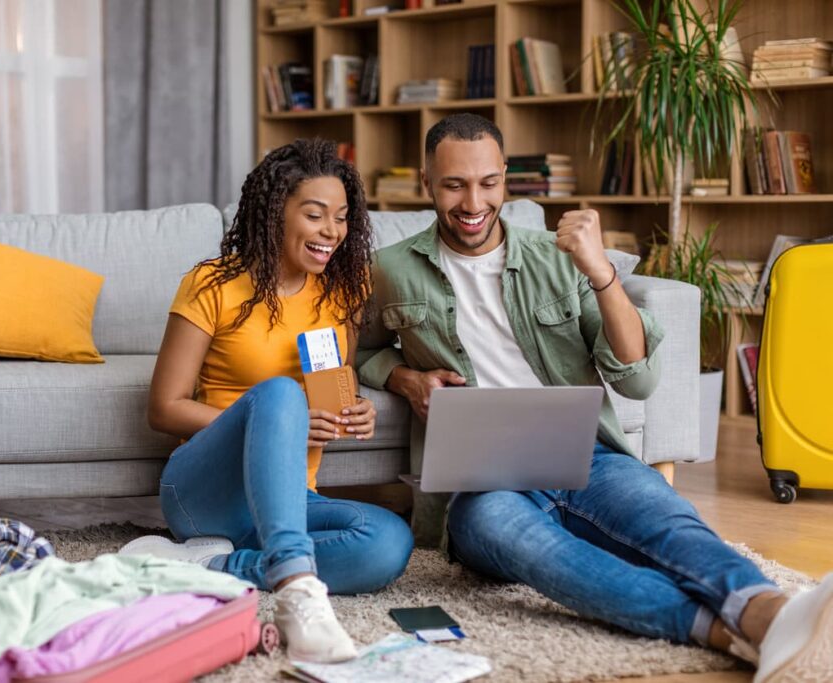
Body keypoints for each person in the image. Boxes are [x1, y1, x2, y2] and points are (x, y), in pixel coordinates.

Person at [356, 113, 832, 681]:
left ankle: (768, 611)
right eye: (454, 184)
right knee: (546, 556)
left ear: (506, 179)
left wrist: (600, 270)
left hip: (589, 457)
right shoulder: (388, 269)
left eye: (487, 182)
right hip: (480, 486)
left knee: (669, 524)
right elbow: (362, 352)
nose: (472, 201)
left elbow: (637, 380)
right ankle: (724, 629)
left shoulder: (559, 258)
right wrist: (407, 379)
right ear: (428, 184)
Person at [137, 138, 414, 663]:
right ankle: (295, 588)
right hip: (205, 494)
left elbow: (333, 384)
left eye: (341, 217)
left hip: (292, 498)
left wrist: (354, 407)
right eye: (315, 215)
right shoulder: (212, 284)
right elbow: (164, 408)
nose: (332, 231)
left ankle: (216, 568)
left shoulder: (342, 290)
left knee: (387, 542)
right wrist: (273, 421)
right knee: (280, 394)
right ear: (274, 213)